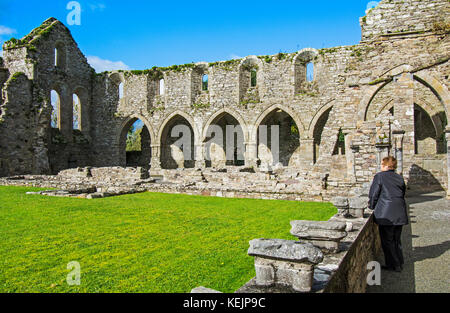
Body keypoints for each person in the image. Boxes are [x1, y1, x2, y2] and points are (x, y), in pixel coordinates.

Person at [369, 156, 409, 272]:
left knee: (387, 241)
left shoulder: (379, 177)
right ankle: (399, 261)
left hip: (386, 214)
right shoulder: (399, 178)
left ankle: (395, 265)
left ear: (386, 165)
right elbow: (402, 193)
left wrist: (371, 206)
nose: (380, 166)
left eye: (382, 164)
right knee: (396, 239)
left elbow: (374, 194)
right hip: (399, 212)